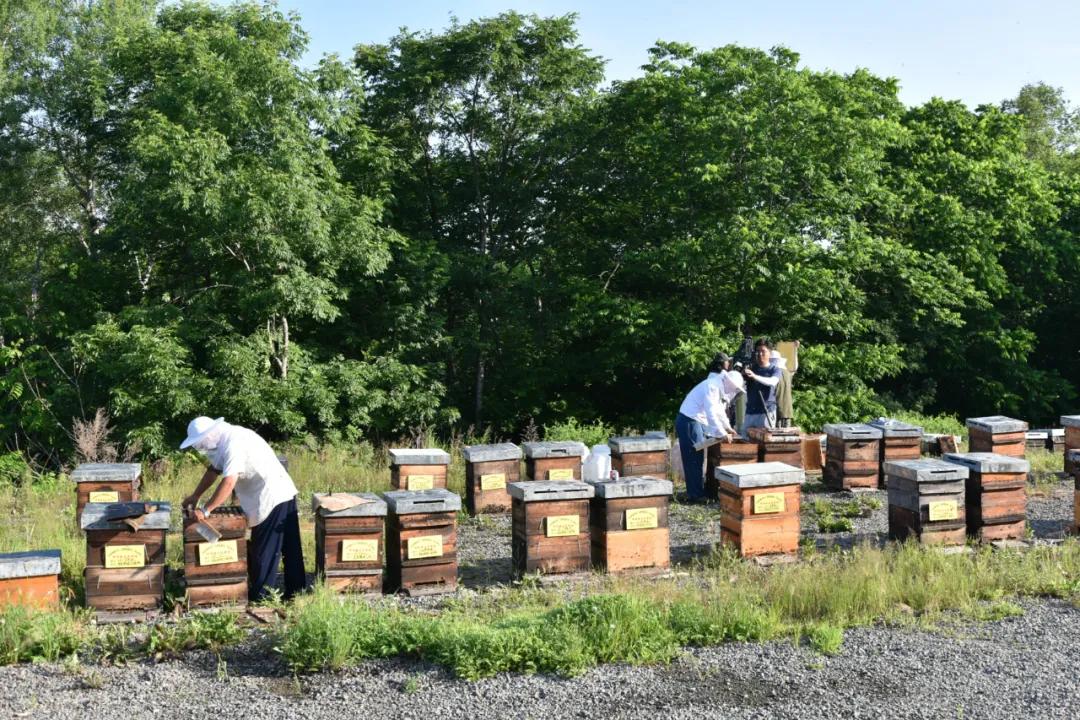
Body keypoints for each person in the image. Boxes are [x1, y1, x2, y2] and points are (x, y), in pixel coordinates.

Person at [180, 416, 307, 602]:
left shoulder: (234, 442)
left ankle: (263, 598)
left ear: (210, 434)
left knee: (266, 551)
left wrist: (206, 510)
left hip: (270, 497)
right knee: (287, 546)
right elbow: (213, 471)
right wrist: (195, 496)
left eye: (201, 443)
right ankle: (296, 593)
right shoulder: (225, 440)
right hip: (277, 492)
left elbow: (229, 480)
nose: (202, 447)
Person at [675, 353, 745, 503]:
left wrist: (728, 428)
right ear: (729, 382)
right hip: (689, 421)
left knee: (698, 459)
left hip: (694, 421)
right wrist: (722, 433)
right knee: (694, 458)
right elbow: (711, 412)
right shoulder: (712, 386)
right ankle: (695, 495)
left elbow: (719, 411)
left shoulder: (716, 386)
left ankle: (697, 492)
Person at [741, 339, 781, 437]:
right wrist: (742, 374)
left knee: (765, 441)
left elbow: (772, 382)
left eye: (763, 351)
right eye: (758, 351)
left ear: (769, 353)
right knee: (746, 438)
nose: (760, 354)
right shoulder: (751, 368)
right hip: (750, 412)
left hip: (766, 411)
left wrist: (755, 376)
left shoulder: (774, 369)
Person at [772, 344, 798, 428]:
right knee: (786, 436)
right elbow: (795, 368)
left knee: (776, 435)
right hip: (788, 410)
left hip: (776, 410)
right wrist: (795, 350)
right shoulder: (787, 373)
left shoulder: (773, 374)